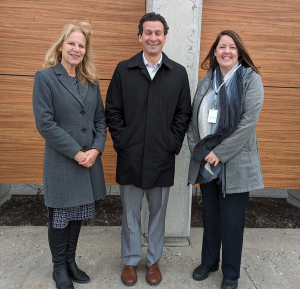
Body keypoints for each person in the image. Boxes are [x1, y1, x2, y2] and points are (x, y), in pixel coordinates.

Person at [105, 12, 191, 286]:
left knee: (158, 214)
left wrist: (171, 144)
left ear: (165, 37)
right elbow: (113, 111)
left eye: (158, 33)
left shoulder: (177, 73)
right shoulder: (124, 69)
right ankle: (130, 261)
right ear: (139, 36)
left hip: (162, 157)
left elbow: (183, 114)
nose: (153, 37)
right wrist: (123, 142)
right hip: (130, 156)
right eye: (148, 32)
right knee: (130, 214)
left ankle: (153, 261)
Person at [32, 21, 106, 289]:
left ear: (86, 51)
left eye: (81, 45)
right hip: (63, 161)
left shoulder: (90, 81)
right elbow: (46, 124)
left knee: (78, 214)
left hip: (88, 162)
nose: (76, 49)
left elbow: (100, 119)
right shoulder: (45, 78)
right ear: (61, 46)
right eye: (71, 43)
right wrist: (77, 152)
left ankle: (71, 262)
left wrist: (96, 149)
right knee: (61, 217)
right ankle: (59, 268)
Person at [187, 30, 264, 289]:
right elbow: (192, 120)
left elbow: (247, 125)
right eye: (221, 47)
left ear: (239, 52)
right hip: (208, 164)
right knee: (210, 217)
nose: (226, 51)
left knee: (232, 222)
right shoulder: (206, 80)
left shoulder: (251, 80)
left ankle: (231, 273)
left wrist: (219, 153)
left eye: (231, 47)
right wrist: (198, 151)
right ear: (215, 52)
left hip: (236, 163)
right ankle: (209, 262)